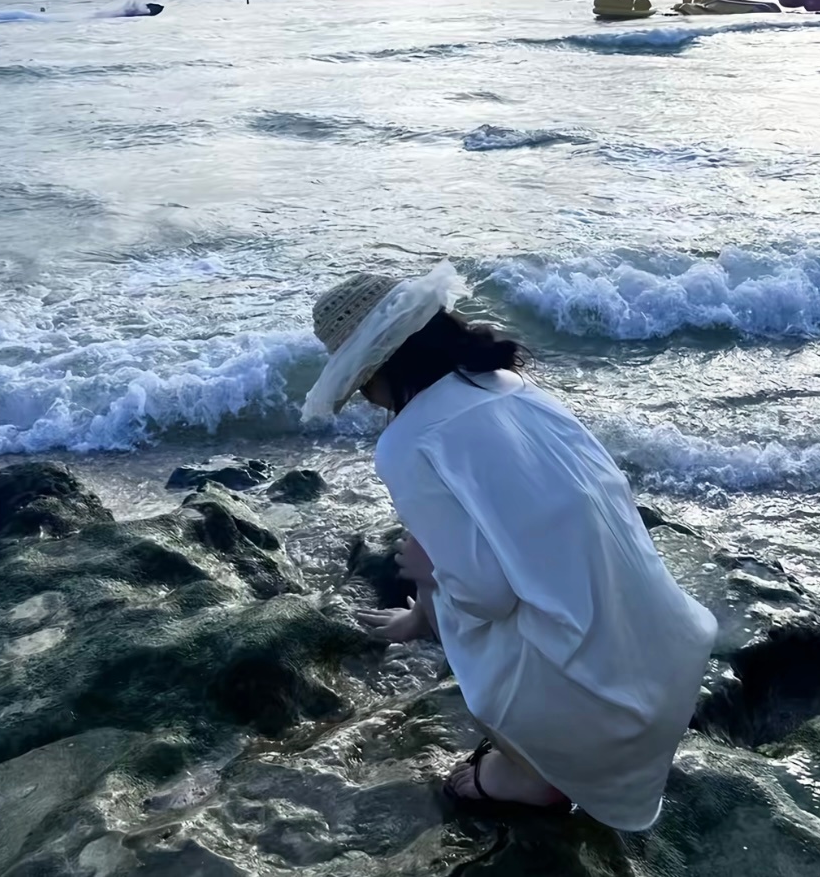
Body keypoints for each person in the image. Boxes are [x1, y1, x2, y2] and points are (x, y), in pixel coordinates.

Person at [304, 262, 717, 829]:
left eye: (361, 382)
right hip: (666, 663)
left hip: (602, 711)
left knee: (474, 616)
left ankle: (530, 776)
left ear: (377, 369)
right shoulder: (512, 389)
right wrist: (423, 609)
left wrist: (434, 575)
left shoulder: (407, 442)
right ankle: (546, 750)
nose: (368, 398)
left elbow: (486, 595)